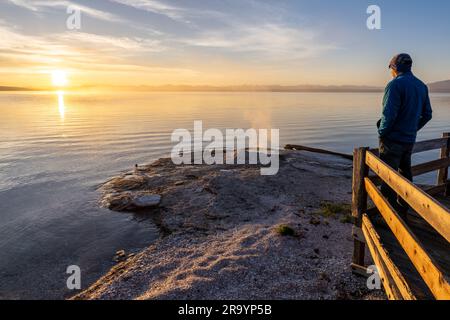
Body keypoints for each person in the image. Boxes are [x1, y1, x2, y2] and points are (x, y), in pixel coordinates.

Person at [377, 53, 433, 220]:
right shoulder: (422, 86)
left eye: (391, 69)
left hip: (392, 140)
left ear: (394, 68)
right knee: (405, 174)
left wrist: (382, 132)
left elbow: (389, 115)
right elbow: (427, 114)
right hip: (409, 140)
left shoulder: (395, 85)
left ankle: (389, 216)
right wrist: (412, 129)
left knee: (388, 178)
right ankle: (403, 209)